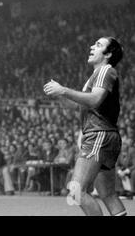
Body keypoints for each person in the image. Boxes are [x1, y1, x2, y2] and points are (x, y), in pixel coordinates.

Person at [44, 37, 126, 216]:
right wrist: (59, 95)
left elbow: (95, 100)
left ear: (108, 54)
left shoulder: (105, 70)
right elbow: (77, 106)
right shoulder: (96, 75)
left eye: (98, 45)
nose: (91, 47)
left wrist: (64, 90)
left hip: (99, 134)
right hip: (105, 135)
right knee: (108, 195)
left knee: (76, 191)